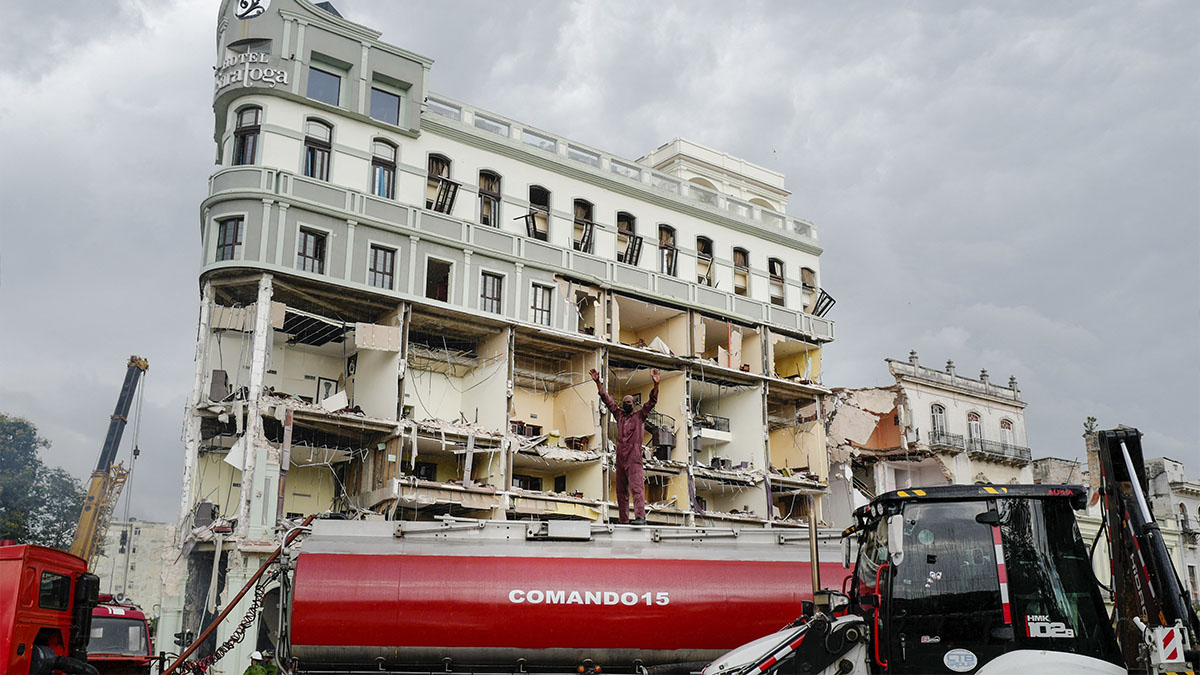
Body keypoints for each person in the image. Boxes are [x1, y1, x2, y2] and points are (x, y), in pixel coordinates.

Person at [589, 367, 660, 525]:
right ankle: (623, 520)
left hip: (634, 458)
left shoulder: (639, 416)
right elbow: (607, 399)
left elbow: (652, 402)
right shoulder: (619, 414)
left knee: (637, 488)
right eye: (625, 402)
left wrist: (656, 385)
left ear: (634, 404)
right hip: (620, 459)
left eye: (629, 402)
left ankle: (640, 517)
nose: (626, 403)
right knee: (621, 492)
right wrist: (598, 382)